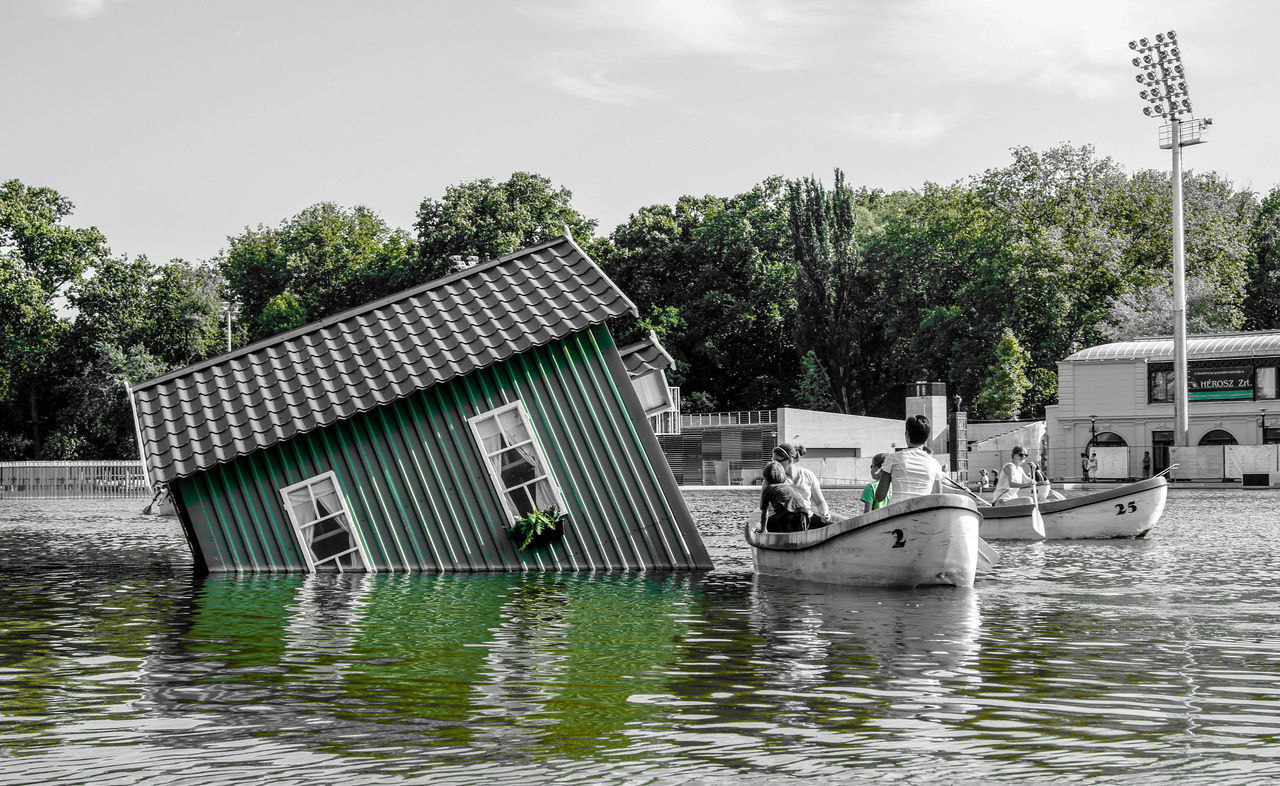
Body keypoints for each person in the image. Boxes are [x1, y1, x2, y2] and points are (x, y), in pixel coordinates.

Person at [874, 415, 943, 506]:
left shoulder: (892, 458)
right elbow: (937, 498)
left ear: (906, 433)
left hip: (896, 513)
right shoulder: (935, 464)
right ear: (927, 437)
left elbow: (879, 497)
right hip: (924, 512)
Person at [773, 443, 830, 521]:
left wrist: (825, 513)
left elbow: (820, 502)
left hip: (806, 517)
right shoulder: (773, 477)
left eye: (778, 461)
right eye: (773, 461)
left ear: (790, 461)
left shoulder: (808, 474)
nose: (774, 465)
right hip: (784, 519)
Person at [758, 460, 813, 533]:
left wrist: (763, 529)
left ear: (766, 477)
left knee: (787, 534)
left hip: (787, 514)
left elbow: (764, 512)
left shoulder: (768, 489)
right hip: (803, 512)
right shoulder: (787, 487)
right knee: (800, 534)